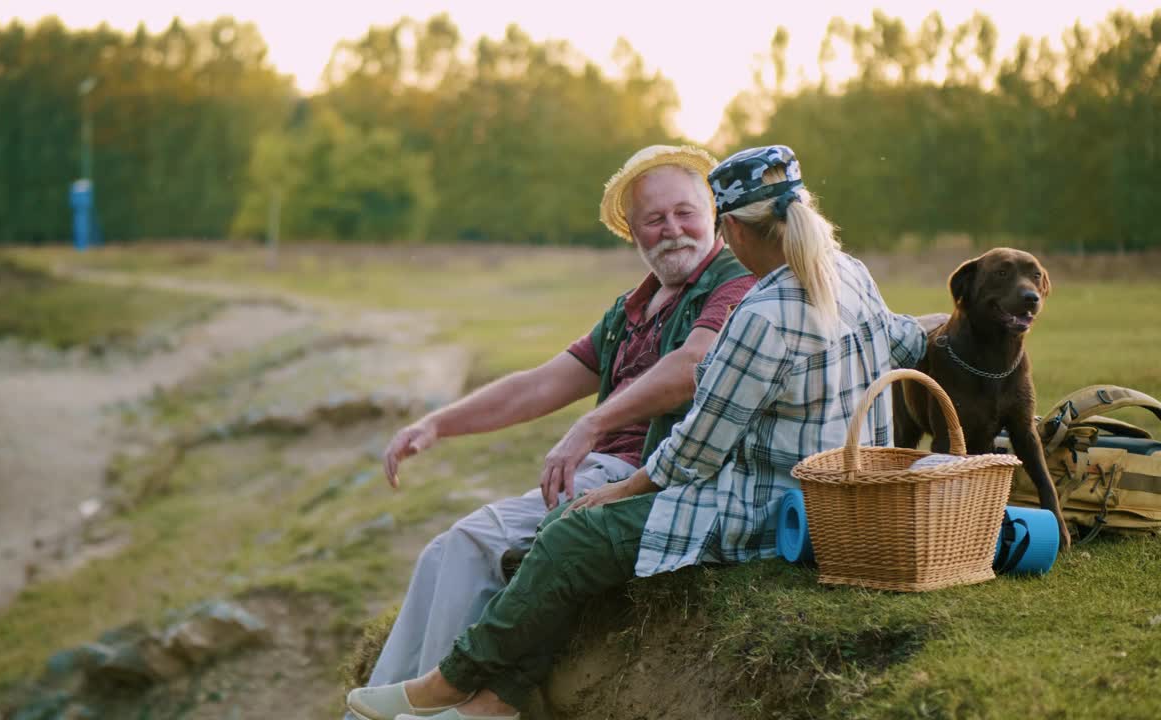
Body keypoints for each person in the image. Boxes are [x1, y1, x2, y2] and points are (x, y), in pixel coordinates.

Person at [346, 144, 928, 720]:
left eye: (687, 213)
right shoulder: (845, 274)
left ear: (726, 228)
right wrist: (438, 422)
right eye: (654, 219)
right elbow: (903, 341)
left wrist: (615, 471)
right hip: (799, 490)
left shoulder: (751, 302)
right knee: (469, 547)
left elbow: (698, 431)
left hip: (764, 504)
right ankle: (477, 699)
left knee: (553, 538)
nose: (673, 230)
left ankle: (453, 685)